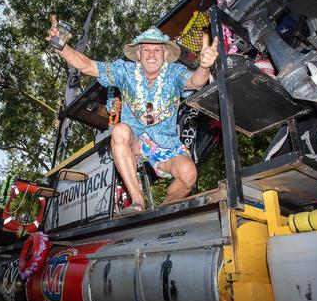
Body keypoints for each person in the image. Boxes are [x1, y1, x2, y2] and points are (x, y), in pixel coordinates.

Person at [46, 15, 218, 215]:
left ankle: (163, 211)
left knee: (189, 174)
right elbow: (87, 65)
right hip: (134, 141)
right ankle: (137, 202)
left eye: (157, 50)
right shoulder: (125, 71)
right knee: (119, 131)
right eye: (146, 49)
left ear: (165, 54)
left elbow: (195, 83)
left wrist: (205, 66)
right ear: (138, 54)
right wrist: (61, 46)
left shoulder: (174, 73)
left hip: (166, 144)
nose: (151, 54)